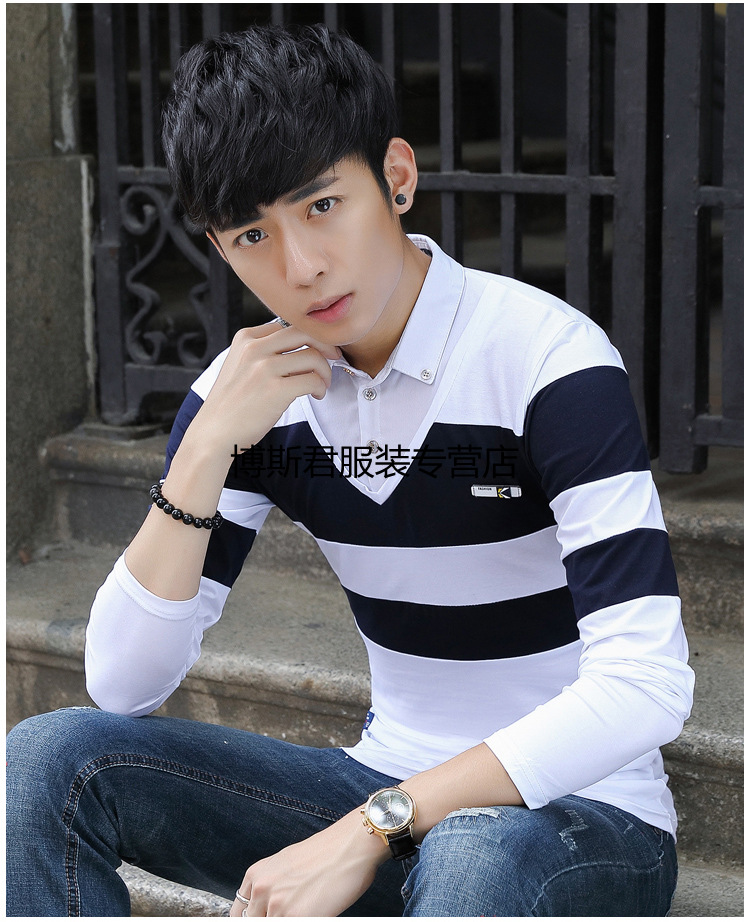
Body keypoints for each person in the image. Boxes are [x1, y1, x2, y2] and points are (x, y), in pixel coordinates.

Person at [6, 24, 694, 918]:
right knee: (47, 760)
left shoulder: (546, 360)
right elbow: (123, 684)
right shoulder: (245, 396)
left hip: (583, 816)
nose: (302, 267)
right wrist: (206, 451)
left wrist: (374, 825)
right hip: (381, 787)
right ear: (219, 248)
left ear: (396, 178)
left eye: (323, 205)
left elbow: (647, 685)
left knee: (477, 850)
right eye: (253, 234)